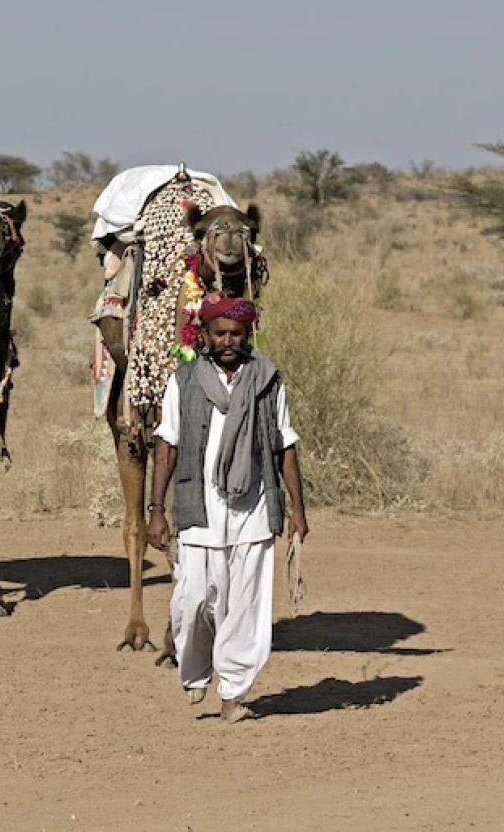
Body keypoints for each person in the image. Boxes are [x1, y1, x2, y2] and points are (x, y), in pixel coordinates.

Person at [145, 294, 309, 722]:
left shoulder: (268, 380)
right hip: (199, 510)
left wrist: (297, 508)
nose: (228, 341)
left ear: (247, 334)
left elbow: (285, 444)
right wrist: (156, 508)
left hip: (253, 510)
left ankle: (233, 694)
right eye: (220, 333)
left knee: (244, 608)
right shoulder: (183, 381)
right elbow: (167, 444)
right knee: (193, 600)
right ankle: (196, 670)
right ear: (205, 335)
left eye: (236, 333)